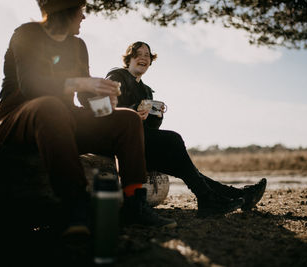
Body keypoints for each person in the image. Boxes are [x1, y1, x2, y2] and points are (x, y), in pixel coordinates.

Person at [0, 0, 177, 242]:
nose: (84, 17)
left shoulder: (78, 45)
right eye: (80, 10)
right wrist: (79, 82)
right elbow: (31, 86)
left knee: (127, 119)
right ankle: (75, 206)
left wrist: (104, 104)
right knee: (51, 106)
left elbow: (84, 94)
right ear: (64, 9)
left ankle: (134, 203)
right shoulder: (27, 34)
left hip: (66, 117)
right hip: (17, 117)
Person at [80, 41, 267, 218]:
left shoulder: (146, 90)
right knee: (173, 140)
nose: (143, 57)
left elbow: (151, 128)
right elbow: (105, 108)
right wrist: (133, 110)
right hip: (117, 138)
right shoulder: (117, 75)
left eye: (147, 55)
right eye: (138, 54)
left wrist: (156, 116)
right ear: (128, 59)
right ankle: (216, 198)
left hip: (140, 140)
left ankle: (235, 196)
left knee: (185, 168)